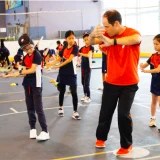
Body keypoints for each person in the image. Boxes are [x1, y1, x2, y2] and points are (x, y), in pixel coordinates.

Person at [89, 9, 141, 155]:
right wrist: (93, 34)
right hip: (111, 82)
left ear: (116, 23)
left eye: (107, 26)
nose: (105, 30)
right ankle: (101, 138)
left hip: (129, 84)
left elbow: (136, 39)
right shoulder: (107, 34)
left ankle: (126, 145)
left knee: (123, 114)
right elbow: (91, 42)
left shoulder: (132, 32)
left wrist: (113, 42)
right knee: (105, 112)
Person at [4, 34, 50, 141]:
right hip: (27, 84)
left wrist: (19, 71)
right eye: (25, 48)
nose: (28, 49)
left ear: (32, 44)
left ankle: (45, 131)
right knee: (30, 108)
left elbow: (32, 70)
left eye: (29, 46)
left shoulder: (37, 55)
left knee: (38, 109)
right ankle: (32, 128)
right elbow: (23, 71)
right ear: (23, 49)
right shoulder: (25, 57)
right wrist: (10, 74)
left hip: (36, 85)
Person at [47, 30, 81, 120]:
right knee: (62, 91)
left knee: (74, 92)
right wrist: (51, 63)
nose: (71, 40)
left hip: (72, 73)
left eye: (73, 38)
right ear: (66, 39)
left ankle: (75, 111)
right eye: (70, 38)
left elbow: (69, 60)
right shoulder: (64, 47)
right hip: (63, 73)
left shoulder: (75, 48)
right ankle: (61, 107)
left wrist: (58, 66)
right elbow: (59, 58)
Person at [140, 34, 160, 128]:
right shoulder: (153, 56)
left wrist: (146, 71)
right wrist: (140, 64)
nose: (155, 46)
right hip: (155, 81)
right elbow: (144, 65)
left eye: (157, 44)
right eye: (154, 44)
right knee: (154, 101)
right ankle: (152, 119)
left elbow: (158, 70)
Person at [79, 32, 94, 103]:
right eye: (85, 40)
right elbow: (77, 54)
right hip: (82, 67)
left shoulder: (91, 47)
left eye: (87, 39)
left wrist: (81, 54)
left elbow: (88, 55)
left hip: (88, 67)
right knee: (82, 82)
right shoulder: (81, 48)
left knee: (86, 83)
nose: (86, 41)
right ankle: (85, 95)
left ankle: (89, 96)